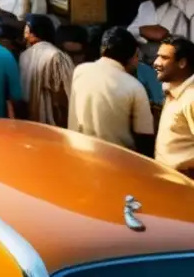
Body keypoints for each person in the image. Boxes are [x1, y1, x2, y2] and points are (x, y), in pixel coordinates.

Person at [68, 26, 154, 155]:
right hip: (117, 162)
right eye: (137, 56)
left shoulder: (80, 71)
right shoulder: (134, 87)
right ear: (132, 56)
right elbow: (145, 137)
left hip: (78, 153)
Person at [19, 14, 74, 127]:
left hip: (27, 124)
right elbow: (65, 95)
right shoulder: (56, 55)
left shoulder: (23, 56)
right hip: (50, 126)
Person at [153, 35, 194, 177]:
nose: (156, 63)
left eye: (164, 58)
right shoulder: (171, 91)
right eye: (158, 57)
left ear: (182, 63)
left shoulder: (191, 97)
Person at [129, 0, 188, 65]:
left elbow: (162, 35)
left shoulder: (176, 12)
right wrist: (142, 31)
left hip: (166, 56)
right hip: (142, 55)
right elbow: (130, 30)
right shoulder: (145, 6)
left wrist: (147, 31)